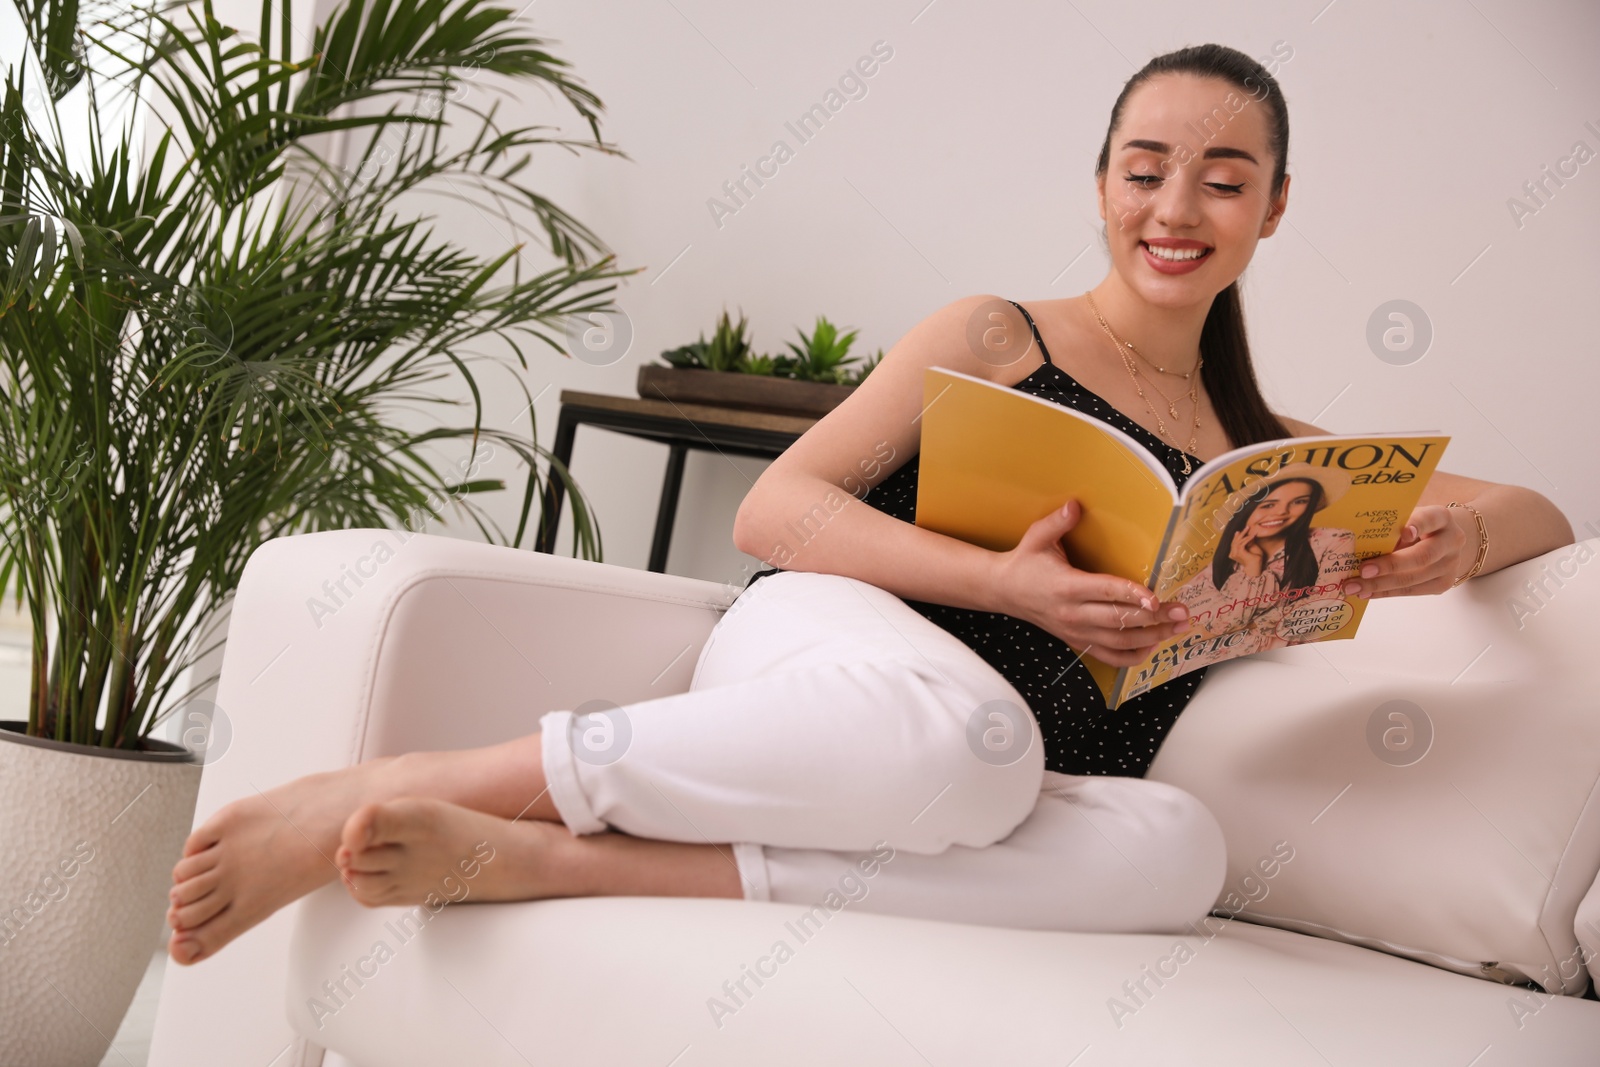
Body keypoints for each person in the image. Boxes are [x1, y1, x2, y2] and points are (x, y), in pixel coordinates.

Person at [163, 43, 1576, 967]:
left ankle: (535, 857)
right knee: (971, 737)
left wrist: (1462, 536)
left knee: (1181, 851)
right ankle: (401, 785)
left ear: (1272, 210)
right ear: (1102, 187)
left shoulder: (1280, 451)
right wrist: (1010, 584)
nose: (1178, 205)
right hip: (841, 649)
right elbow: (777, 512)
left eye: (1225, 178)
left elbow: (1544, 511)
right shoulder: (996, 333)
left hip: (1023, 769)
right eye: (1147, 170)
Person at [1169, 466, 1360, 667]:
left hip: (1287, 662)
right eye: (1268, 505)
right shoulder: (1223, 563)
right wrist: (1252, 568)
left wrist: (1248, 624)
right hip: (1209, 667)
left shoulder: (1335, 540)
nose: (1282, 513)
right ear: (1245, 511)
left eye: (1299, 501)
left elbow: (1324, 605)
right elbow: (1209, 624)